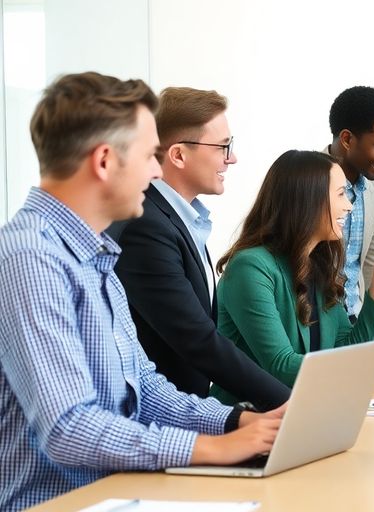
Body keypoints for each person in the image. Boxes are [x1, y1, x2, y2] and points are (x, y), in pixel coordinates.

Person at [0, 72, 284, 510]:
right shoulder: (30, 258)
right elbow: (69, 427)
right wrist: (210, 449)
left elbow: (144, 390)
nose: (156, 171)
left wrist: (238, 421)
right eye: (149, 155)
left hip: (124, 493)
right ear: (104, 161)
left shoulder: (97, 256)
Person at [107, 87, 289, 411]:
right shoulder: (146, 227)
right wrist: (288, 404)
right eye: (223, 147)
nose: (231, 158)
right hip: (157, 424)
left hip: (187, 414)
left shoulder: (182, 220)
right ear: (178, 155)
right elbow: (198, 340)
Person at [211, 150, 374, 402]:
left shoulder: (316, 265)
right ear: (307, 200)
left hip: (307, 412)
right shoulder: (251, 268)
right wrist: (370, 376)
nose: (348, 205)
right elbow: (281, 367)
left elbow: (346, 350)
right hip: (249, 423)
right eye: (340, 194)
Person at [324, 86, 374, 339]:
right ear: (347, 139)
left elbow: (372, 259)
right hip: (317, 323)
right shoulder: (305, 181)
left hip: (358, 319)